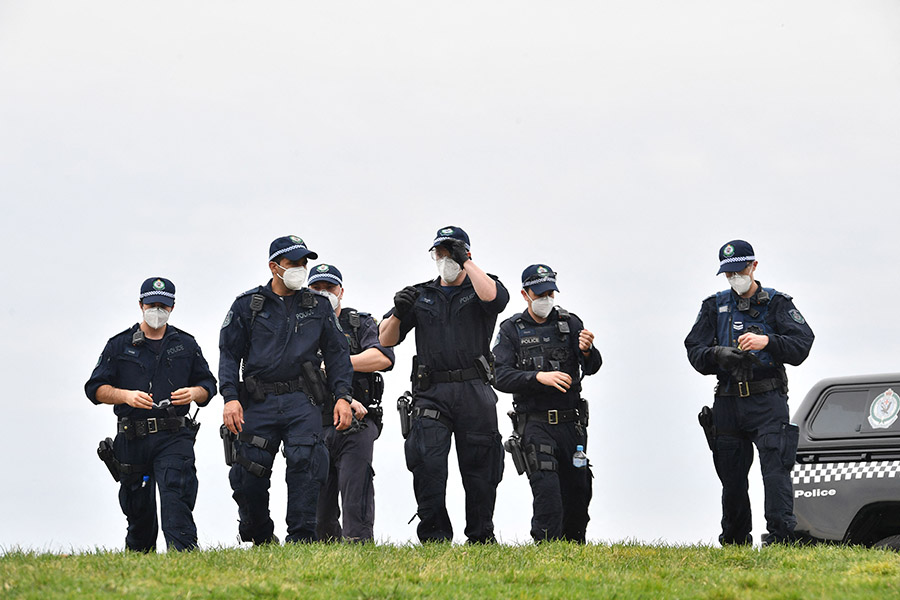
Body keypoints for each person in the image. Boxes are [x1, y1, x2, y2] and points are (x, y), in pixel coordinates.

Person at [219, 235, 354, 544]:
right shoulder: (247, 306)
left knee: (306, 467)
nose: (300, 269)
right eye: (294, 263)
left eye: (303, 263)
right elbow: (228, 354)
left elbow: (337, 355)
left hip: (301, 400)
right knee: (247, 475)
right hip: (258, 401)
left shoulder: (317, 305)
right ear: (274, 267)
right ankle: (261, 536)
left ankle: (301, 540)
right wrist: (230, 399)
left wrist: (343, 397)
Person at [380, 225, 509, 544]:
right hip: (431, 393)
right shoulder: (420, 294)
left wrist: (465, 260)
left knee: (481, 469)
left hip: (474, 391)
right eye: (440, 253)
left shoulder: (481, 287)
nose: (444, 259)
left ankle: (481, 537)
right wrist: (398, 312)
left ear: (466, 254)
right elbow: (385, 339)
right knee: (428, 464)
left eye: (450, 252)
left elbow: (495, 299)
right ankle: (435, 538)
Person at [685, 240, 814, 546]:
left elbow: (802, 344)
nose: (734, 278)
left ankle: (781, 541)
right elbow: (694, 350)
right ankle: (734, 542)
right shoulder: (713, 307)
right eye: (728, 274)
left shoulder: (777, 304)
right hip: (728, 400)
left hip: (767, 400)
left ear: (754, 266)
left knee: (775, 472)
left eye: (739, 271)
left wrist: (768, 342)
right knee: (731, 480)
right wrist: (718, 354)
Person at [85, 277, 217, 552]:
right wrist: (125, 396)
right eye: (152, 304)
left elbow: (208, 386)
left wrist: (194, 393)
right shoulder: (118, 345)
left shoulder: (187, 344)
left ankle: (184, 561)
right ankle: (138, 565)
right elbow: (94, 389)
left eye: (163, 305)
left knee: (176, 500)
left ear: (172, 307)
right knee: (138, 512)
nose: (157, 310)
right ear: (141, 304)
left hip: (174, 436)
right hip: (133, 438)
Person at [492, 264, 602, 543]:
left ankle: (574, 548)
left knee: (578, 490)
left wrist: (588, 352)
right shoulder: (511, 330)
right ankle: (546, 549)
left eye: (550, 292)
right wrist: (538, 377)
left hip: (572, 424)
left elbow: (592, 367)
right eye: (539, 293)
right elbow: (499, 375)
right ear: (525, 294)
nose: (546, 298)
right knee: (547, 490)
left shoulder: (570, 323)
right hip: (536, 423)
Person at [308, 264, 395, 542]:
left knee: (356, 493)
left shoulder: (359, 323)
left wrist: (335, 365)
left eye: (329, 288)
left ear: (341, 291)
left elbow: (382, 358)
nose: (324, 293)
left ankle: (359, 548)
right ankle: (323, 553)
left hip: (357, 424)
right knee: (319, 509)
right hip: (313, 422)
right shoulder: (300, 326)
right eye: (317, 289)